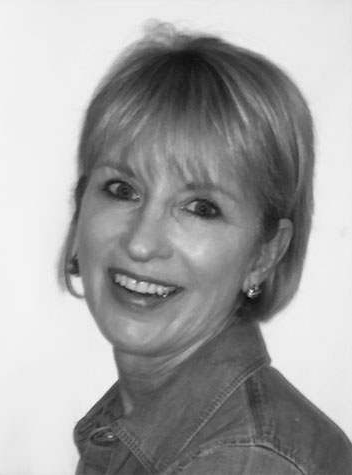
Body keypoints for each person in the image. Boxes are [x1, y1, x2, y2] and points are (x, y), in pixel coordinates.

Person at [61, 23, 352, 475]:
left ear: (264, 255)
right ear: (81, 207)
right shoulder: (145, 431)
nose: (141, 243)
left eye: (200, 208)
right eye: (122, 189)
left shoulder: (244, 459)